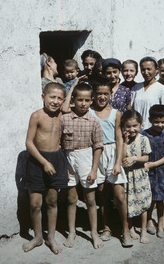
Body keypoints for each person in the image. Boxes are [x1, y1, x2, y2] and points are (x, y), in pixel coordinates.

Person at [22, 83, 68, 254]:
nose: (55, 101)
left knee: (52, 201)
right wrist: (44, 162)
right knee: (35, 204)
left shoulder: (62, 114)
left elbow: (70, 104)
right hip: (37, 161)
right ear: (43, 97)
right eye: (52, 97)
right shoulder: (36, 116)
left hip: (56, 160)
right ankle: (38, 236)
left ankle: (51, 237)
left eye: (59, 98)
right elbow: (28, 143)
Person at [60, 83, 104, 249]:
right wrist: (63, 166)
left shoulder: (93, 121)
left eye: (87, 100)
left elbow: (98, 146)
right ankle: (71, 231)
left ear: (91, 101)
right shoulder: (64, 119)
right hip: (68, 159)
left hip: (87, 158)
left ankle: (94, 233)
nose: (83, 103)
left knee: (90, 199)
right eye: (80, 100)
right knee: (71, 199)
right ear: (73, 100)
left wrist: (94, 170)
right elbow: (59, 144)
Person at [89, 79, 132, 247]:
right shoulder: (89, 112)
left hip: (113, 153)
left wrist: (118, 162)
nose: (102, 97)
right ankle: (106, 226)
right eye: (98, 93)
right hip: (96, 153)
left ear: (110, 94)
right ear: (94, 95)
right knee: (102, 193)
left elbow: (119, 139)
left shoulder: (116, 113)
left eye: (105, 94)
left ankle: (125, 229)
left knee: (119, 195)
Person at [143, 105, 164, 238]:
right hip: (147, 172)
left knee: (161, 199)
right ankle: (149, 220)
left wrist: (154, 164)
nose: (160, 125)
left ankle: (160, 225)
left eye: (163, 122)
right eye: (156, 122)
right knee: (150, 198)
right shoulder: (143, 135)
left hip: (163, 171)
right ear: (150, 119)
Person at [121, 110, 152, 244]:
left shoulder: (144, 139)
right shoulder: (123, 140)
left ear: (140, 125)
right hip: (127, 176)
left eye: (135, 126)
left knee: (142, 202)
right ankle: (131, 227)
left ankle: (143, 230)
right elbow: (121, 158)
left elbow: (146, 157)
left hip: (140, 175)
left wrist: (134, 158)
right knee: (128, 202)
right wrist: (124, 142)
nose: (132, 129)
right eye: (128, 126)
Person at [131, 56, 164, 131]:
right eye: (143, 69)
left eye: (149, 69)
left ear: (156, 69)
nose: (146, 72)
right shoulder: (135, 88)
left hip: (155, 134)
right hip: (138, 133)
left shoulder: (162, 90)